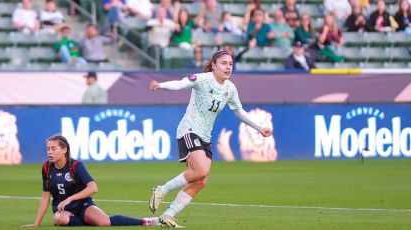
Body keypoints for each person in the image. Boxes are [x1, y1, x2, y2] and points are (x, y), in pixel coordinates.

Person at [148, 50, 273, 228]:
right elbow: (181, 84)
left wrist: (260, 128)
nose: (228, 67)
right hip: (189, 130)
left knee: (201, 181)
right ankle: (162, 189)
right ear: (213, 65)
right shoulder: (203, 79)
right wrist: (160, 85)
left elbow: (239, 111)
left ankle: (167, 216)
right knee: (201, 171)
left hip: (205, 136)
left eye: (230, 64)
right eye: (223, 63)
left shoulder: (230, 88)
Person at [22, 135, 160, 227]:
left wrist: (70, 199)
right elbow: (45, 196)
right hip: (62, 210)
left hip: (83, 205)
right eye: (48, 149)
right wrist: (36, 223)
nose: (50, 152)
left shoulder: (76, 165)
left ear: (64, 150)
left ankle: (145, 221)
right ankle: (83, 221)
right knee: (60, 219)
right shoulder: (46, 167)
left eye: (53, 149)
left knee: (105, 222)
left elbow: (93, 188)